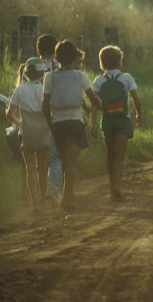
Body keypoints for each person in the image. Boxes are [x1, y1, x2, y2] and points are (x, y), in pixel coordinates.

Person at [43, 40, 101, 211]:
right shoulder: (79, 76)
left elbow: (45, 104)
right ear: (75, 57)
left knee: (63, 162)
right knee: (72, 164)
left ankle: (67, 194)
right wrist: (98, 105)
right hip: (75, 123)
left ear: (56, 57)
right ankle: (67, 199)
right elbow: (93, 98)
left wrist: (51, 124)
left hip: (58, 124)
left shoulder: (49, 77)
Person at [91, 45, 142, 201]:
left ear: (102, 63)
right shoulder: (126, 77)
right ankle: (117, 188)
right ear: (119, 62)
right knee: (120, 156)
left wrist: (94, 123)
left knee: (110, 155)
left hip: (107, 121)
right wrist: (139, 116)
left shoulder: (99, 81)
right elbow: (136, 98)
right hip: (122, 120)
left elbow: (94, 104)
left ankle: (112, 186)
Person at [6, 59, 53, 212]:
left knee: (30, 168)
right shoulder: (46, 90)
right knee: (42, 167)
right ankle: (43, 199)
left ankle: (34, 203)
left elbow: (9, 115)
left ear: (25, 73)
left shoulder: (19, 91)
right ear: (42, 74)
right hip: (44, 133)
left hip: (26, 134)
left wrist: (21, 124)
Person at [33, 35, 62, 204]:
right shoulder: (59, 66)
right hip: (53, 114)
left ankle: (37, 195)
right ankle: (51, 191)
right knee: (54, 156)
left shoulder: (32, 65)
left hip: (34, 115)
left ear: (38, 48)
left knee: (38, 159)